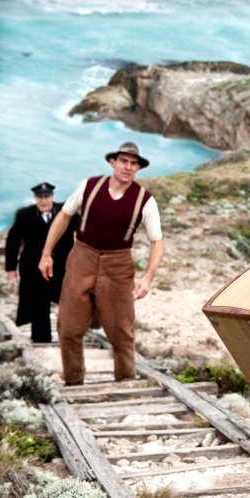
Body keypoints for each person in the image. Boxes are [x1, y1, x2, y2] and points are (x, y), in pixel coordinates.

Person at [39, 142, 164, 386]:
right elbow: (64, 216)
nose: (128, 167)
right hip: (81, 259)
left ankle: (126, 380)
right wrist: (46, 253)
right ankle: (73, 380)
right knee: (68, 326)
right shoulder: (89, 186)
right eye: (123, 161)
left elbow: (156, 241)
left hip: (118, 266)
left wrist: (148, 277)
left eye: (133, 163)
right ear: (112, 162)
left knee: (121, 330)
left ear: (138, 168)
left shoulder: (145, 200)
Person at [4, 182, 77, 343]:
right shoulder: (24, 215)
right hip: (33, 268)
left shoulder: (65, 212)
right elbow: (13, 241)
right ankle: (41, 340)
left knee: (68, 301)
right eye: (40, 197)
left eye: (47, 196)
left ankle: (70, 338)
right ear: (35, 198)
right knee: (38, 304)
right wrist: (11, 269)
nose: (43, 200)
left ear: (52, 196)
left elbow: (84, 230)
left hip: (62, 267)